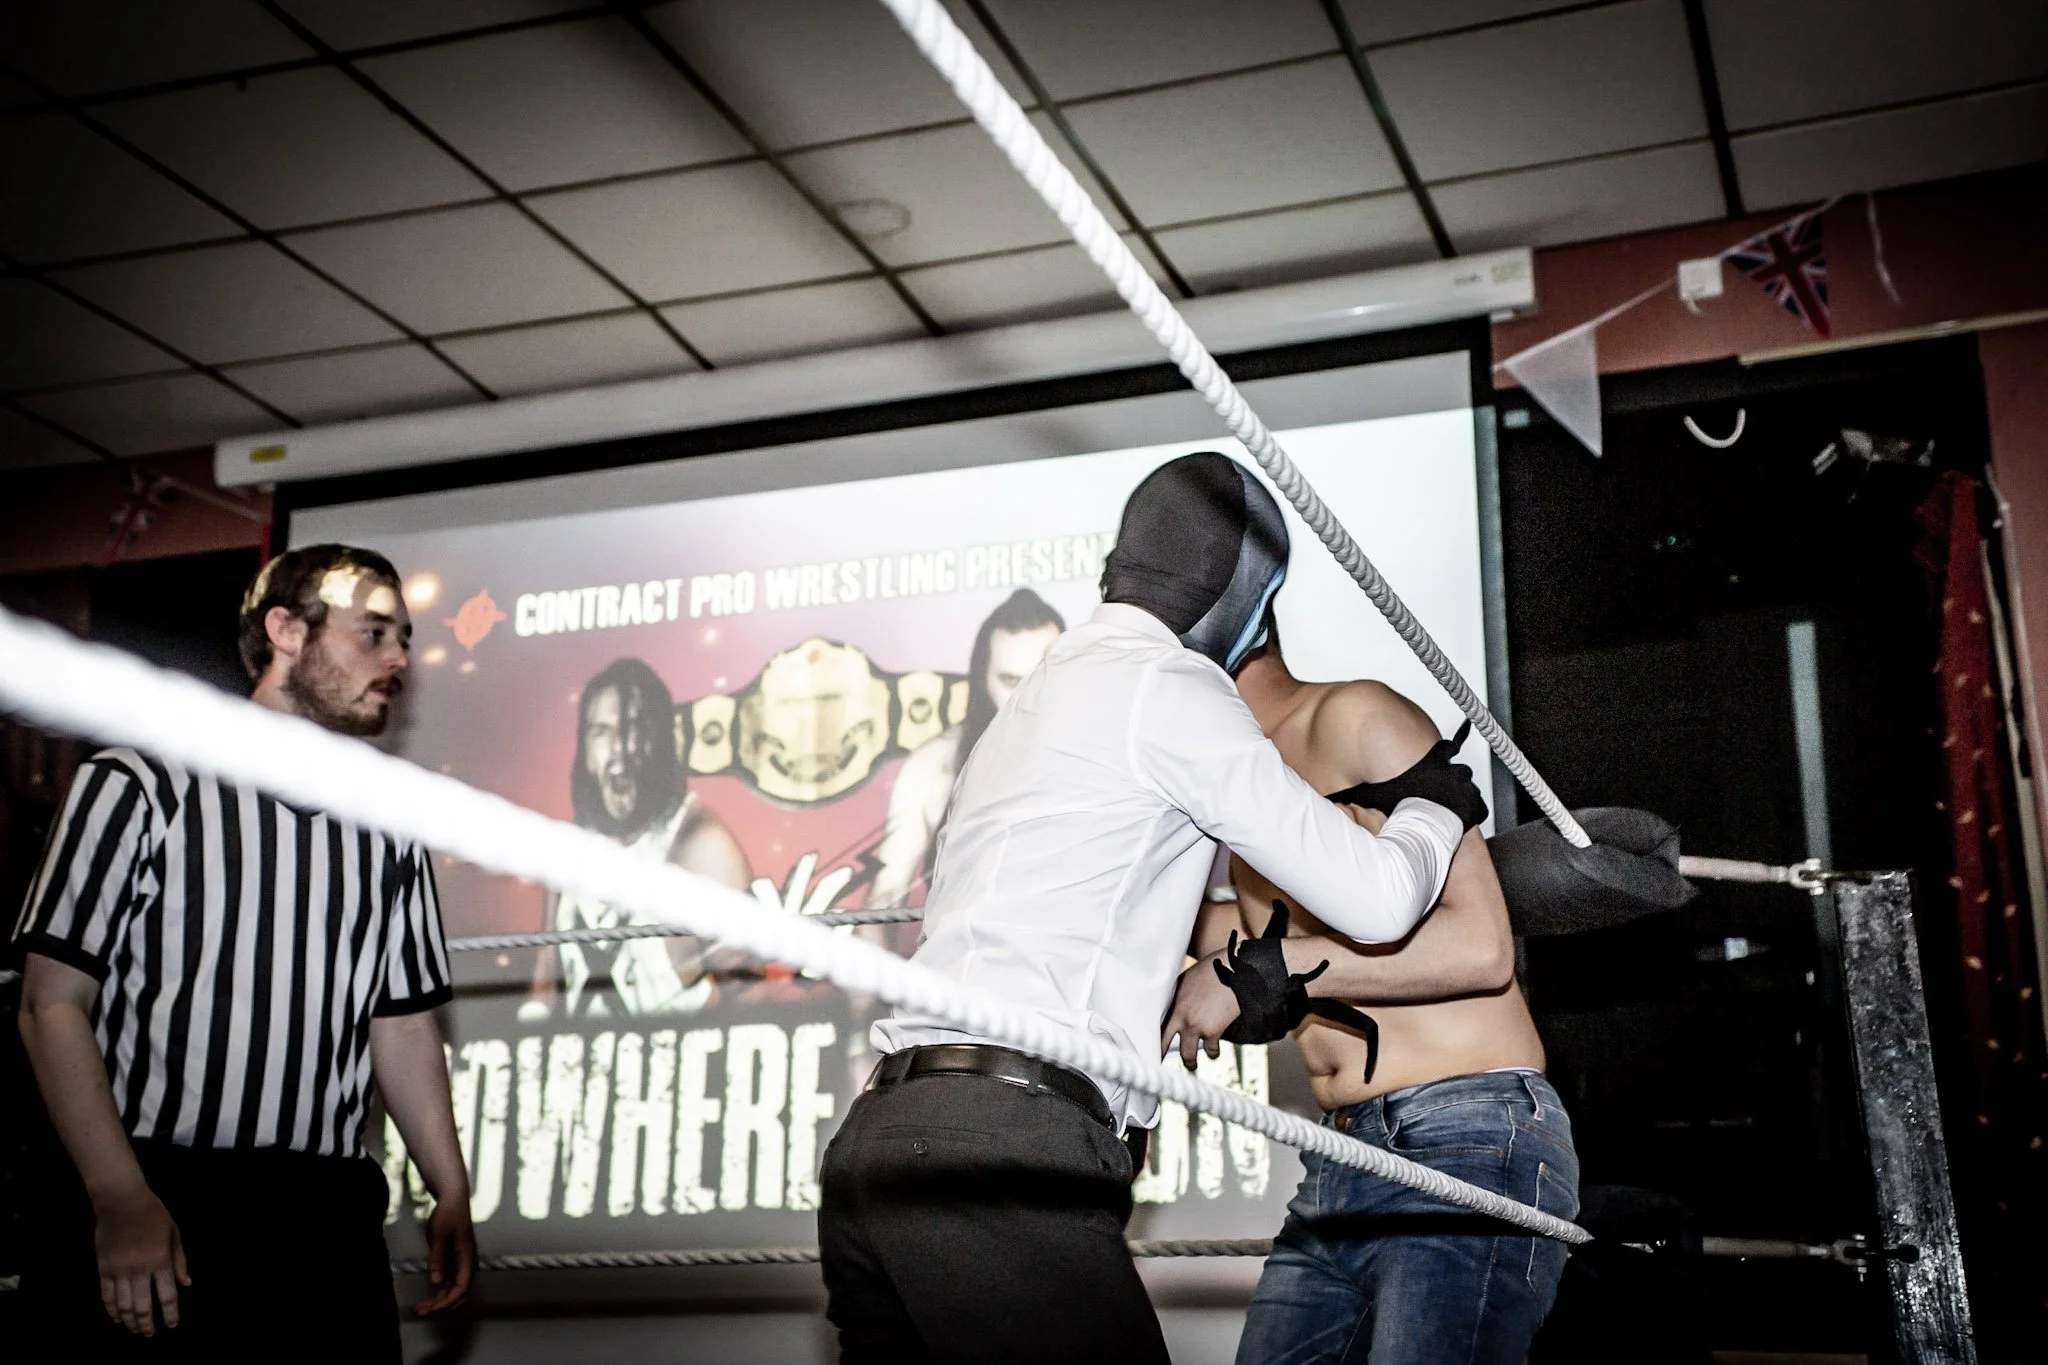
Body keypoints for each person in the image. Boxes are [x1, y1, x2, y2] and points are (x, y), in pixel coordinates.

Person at [818, 453, 1488, 1364]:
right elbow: (1376, 901)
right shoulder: (1171, 686)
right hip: (997, 1146)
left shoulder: (1032, 700)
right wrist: (1434, 805)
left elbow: (1101, 906)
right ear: (1246, 597)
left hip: (877, 1145)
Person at [12, 544, 474, 1361]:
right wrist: (119, 1195)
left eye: (404, 637)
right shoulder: (140, 782)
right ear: (286, 631)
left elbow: (400, 1021)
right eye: (373, 632)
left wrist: (451, 1185)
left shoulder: (389, 824)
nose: (400, 657)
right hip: (165, 1188)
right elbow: (50, 1004)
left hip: (322, 1217)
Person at [1162, 620, 1579, 1365]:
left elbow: (1480, 947)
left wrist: (1265, 968)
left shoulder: (1353, 716)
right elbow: (1252, 947)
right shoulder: (1242, 785)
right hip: (1340, 1159)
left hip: (1463, 1133)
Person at [522, 658, 751, 1020]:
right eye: (601, 732)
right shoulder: (569, 853)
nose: (619, 749)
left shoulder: (702, 843)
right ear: (584, 748)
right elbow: (547, 976)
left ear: (659, 740)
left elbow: (747, 995)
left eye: (633, 729)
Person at [868, 589, 1065, 912]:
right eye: (1011, 681)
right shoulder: (936, 766)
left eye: (1041, 677)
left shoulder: (1104, 756)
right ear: (983, 680)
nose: (1028, 697)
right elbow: (884, 898)